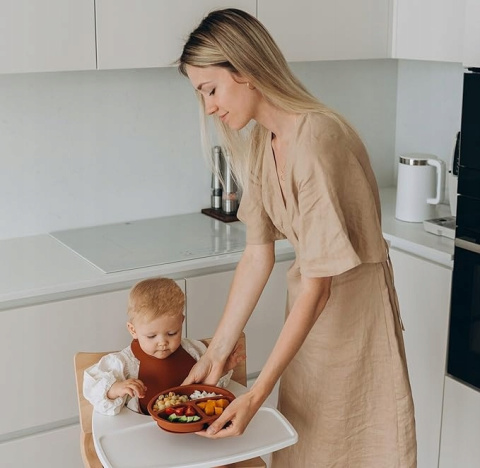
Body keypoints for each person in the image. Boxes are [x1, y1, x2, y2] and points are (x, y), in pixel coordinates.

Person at [177, 8, 417, 467]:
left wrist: (258, 394)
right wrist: (217, 353)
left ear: (244, 69)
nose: (208, 106)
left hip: (355, 326)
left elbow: (321, 285)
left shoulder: (318, 140)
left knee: (357, 448)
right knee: (305, 448)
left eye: (211, 89)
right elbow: (256, 253)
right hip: (309, 327)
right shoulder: (263, 142)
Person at [83, 277, 243, 416]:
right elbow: (93, 388)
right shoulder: (123, 364)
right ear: (133, 330)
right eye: (152, 336)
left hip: (193, 430)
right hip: (146, 437)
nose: (162, 342)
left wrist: (221, 369)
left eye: (172, 333)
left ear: (182, 322)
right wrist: (116, 388)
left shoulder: (195, 351)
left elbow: (207, 390)